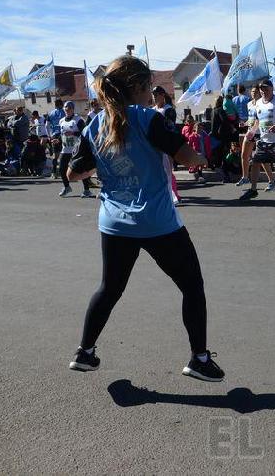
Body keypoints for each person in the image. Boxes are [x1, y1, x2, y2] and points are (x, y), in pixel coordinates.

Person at [64, 54, 223, 381]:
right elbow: (187, 154)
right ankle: (199, 358)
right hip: (156, 222)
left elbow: (73, 173)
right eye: (150, 86)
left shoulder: (94, 124)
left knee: (109, 288)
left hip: (114, 222)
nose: (152, 93)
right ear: (136, 86)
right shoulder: (147, 118)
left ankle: (85, 352)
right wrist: (202, 158)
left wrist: (106, 165)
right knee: (192, 286)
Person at [57, 101, 95, 197]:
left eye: (69, 108)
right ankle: (66, 187)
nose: (67, 110)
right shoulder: (61, 121)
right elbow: (61, 134)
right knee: (62, 169)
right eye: (66, 108)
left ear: (73, 109)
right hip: (65, 149)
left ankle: (87, 190)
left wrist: (73, 133)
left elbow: (84, 134)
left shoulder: (78, 120)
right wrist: (57, 140)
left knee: (80, 170)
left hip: (77, 150)